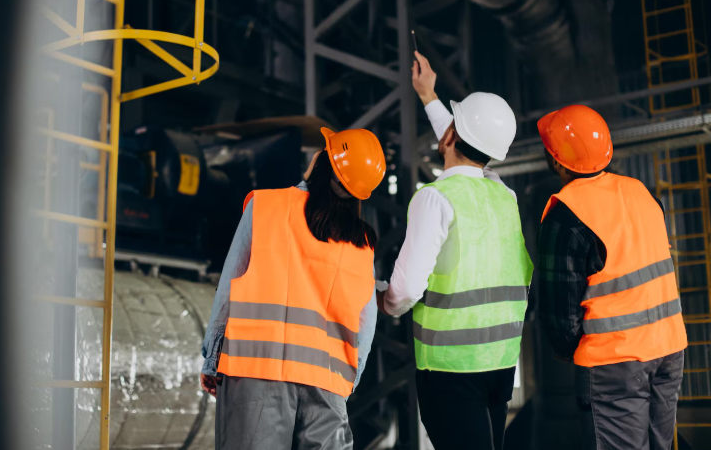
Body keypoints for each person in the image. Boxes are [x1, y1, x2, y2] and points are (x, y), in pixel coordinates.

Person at [377, 51, 534, 450]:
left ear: (449, 138)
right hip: (500, 362)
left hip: (450, 368)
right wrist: (428, 96)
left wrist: (384, 302)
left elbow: (405, 291)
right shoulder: (504, 196)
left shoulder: (435, 199)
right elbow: (468, 145)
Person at [199, 127, 385, 450]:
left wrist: (212, 358)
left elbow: (229, 287)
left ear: (323, 162)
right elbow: (365, 325)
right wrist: (346, 385)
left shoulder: (267, 207)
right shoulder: (362, 242)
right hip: (327, 386)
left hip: (255, 372)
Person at [536, 105, 688, 450]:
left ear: (557, 161)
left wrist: (568, 349)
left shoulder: (566, 216)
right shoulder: (642, 193)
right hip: (669, 349)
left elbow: (561, 316)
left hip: (613, 362)